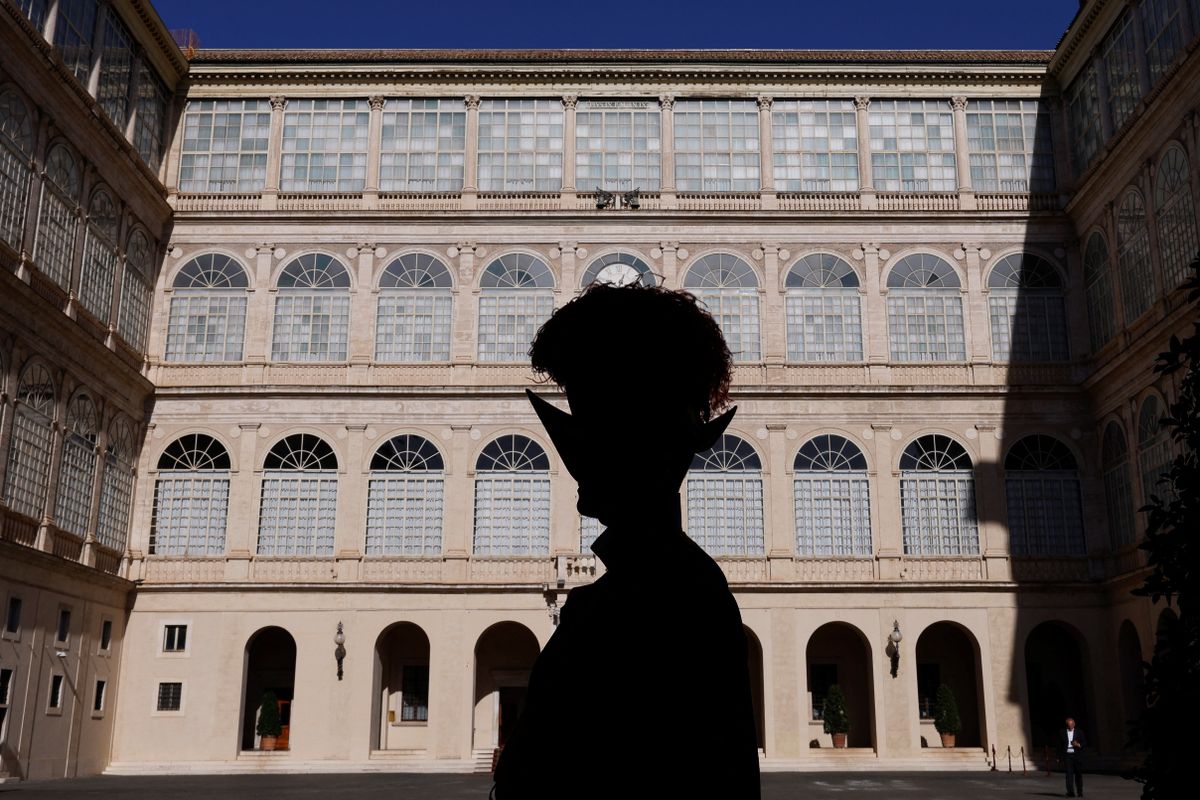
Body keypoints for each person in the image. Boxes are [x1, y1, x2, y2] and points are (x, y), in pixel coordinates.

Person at [490, 281, 761, 799]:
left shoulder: (645, 604)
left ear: (633, 447)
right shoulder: (684, 590)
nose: (578, 470)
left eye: (591, 436)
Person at [1060, 716, 1085, 797]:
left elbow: (1084, 743)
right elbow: (1059, 745)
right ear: (1066, 725)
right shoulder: (1062, 732)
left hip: (1076, 755)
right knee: (1069, 774)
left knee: (1078, 774)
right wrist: (1058, 757)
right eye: (1069, 724)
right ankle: (1070, 792)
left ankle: (1080, 791)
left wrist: (1078, 744)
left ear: (1074, 724)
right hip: (1067, 755)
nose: (1070, 726)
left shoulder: (1079, 732)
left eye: (1072, 724)